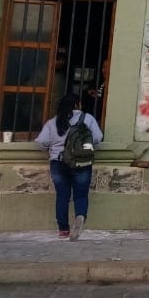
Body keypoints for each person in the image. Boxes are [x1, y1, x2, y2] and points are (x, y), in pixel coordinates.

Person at [35, 94, 103, 240]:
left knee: (62, 196)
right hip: (81, 162)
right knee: (81, 194)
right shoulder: (88, 119)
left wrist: (52, 148)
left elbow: (41, 142)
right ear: (78, 104)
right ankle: (80, 216)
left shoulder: (53, 122)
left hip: (58, 162)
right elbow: (97, 138)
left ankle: (63, 230)